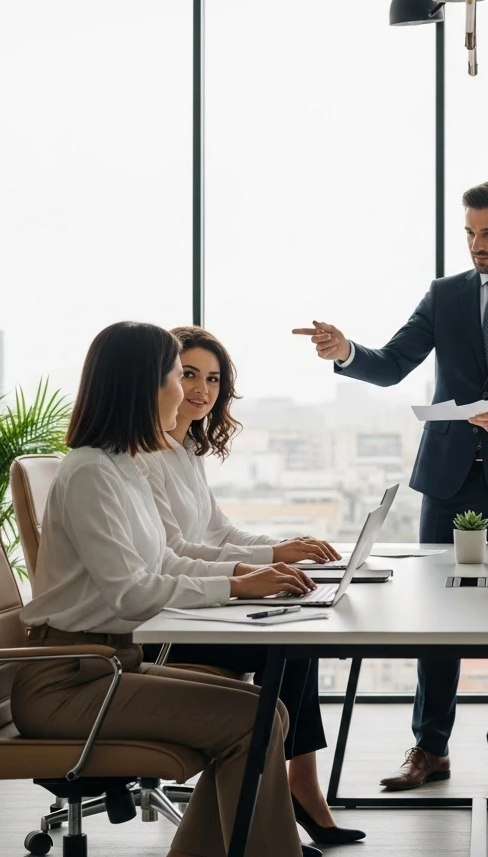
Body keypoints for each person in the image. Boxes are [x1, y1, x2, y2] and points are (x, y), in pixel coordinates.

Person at [293, 180, 488, 794]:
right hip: (448, 481)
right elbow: (393, 361)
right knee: (438, 617)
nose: (476, 245)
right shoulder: (445, 295)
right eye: (469, 232)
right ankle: (430, 747)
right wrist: (347, 350)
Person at [14, 321, 321, 857]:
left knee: (268, 713)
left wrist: (244, 579)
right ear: (145, 387)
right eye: (176, 377)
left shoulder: (123, 467)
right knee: (254, 720)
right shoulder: (92, 473)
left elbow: (168, 558)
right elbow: (131, 595)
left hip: (111, 666)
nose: (186, 393)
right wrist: (237, 585)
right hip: (68, 683)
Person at [138, 325, 364, 846]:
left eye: (213, 379)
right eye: (188, 374)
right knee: (288, 641)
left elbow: (219, 532)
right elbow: (176, 554)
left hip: (195, 602)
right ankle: (286, 795)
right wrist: (264, 562)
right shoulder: (143, 460)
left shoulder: (184, 450)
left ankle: (298, 786)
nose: (202, 389)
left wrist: (281, 548)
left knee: (297, 630)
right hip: (168, 625)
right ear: (163, 378)